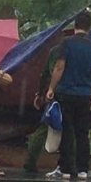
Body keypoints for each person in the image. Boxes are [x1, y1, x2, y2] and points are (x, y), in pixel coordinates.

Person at [45, 11, 91, 181]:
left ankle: (65, 168)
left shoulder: (67, 43)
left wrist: (51, 88)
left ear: (75, 25)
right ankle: (83, 169)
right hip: (84, 95)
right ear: (89, 28)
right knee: (82, 132)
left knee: (67, 131)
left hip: (65, 93)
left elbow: (59, 67)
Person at [24, 43, 61, 174]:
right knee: (70, 130)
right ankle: (67, 164)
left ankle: (30, 160)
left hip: (51, 95)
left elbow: (44, 73)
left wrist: (40, 94)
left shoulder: (55, 50)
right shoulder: (84, 48)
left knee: (44, 126)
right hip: (70, 94)